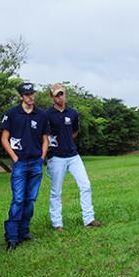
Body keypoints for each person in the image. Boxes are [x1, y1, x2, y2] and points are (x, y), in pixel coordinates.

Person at [45, 84, 102, 231]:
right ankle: (57, 223)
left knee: (85, 185)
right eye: (57, 95)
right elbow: (43, 136)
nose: (60, 97)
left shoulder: (73, 113)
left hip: (73, 155)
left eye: (62, 94)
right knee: (56, 191)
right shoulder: (47, 115)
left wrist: (67, 141)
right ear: (52, 97)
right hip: (56, 157)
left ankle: (89, 219)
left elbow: (75, 131)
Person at [1, 82, 49, 250]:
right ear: (21, 96)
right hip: (20, 162)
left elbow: (45, 139)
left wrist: (42, 156)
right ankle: (12, 237)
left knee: (30, 200)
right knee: (18, 200)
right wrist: (14, 157)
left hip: (36, 162)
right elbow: (4, 138)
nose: (31, 97)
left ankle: (24, 233)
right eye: (27, 94)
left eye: (32, 94)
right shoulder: (12, 114)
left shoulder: (41, 115)